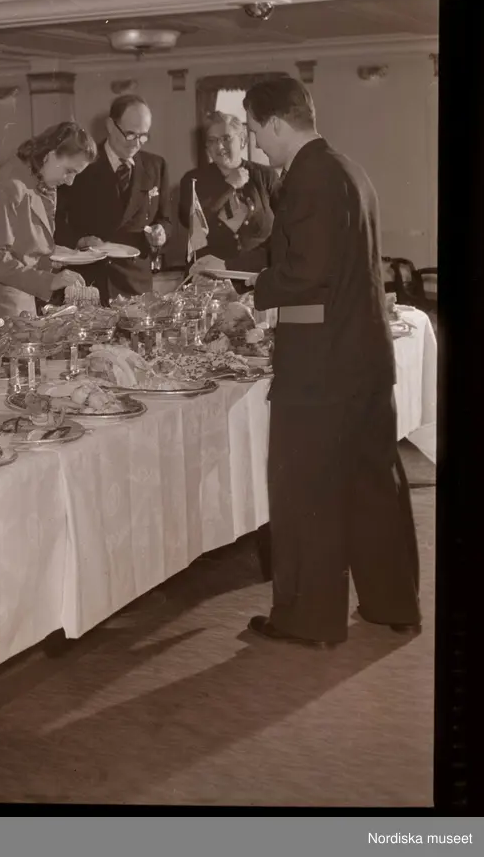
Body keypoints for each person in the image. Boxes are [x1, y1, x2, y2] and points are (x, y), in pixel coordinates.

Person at [233, 75, 420, 649]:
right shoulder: (349, 169)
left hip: (321, 365)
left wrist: (253, 292)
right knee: (374, 484)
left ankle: (308, 620)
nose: (255, 143)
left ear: (275, 123)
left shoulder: (308, 176)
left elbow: (307, 273)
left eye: (254, 130)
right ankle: (394, 604)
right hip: (364, 356)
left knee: (305, 489)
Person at [0, 121, 96, 328]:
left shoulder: (39, 182)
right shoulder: (7, 185)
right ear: (50, 155)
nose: (70, 181)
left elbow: (23, 245)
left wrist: (54, 255)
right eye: (69, 171)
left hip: (20, 301)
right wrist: (49, 281)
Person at [54, 93, 172, 303]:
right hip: (91, 282)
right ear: (110, 125)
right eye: (130, 134)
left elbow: (166, 220)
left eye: (143, 135)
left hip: (136, 284)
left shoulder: (156, 166)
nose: (137, 143)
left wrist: (160, 234)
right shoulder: (81, 165)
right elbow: (55, 220)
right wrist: (78, 241)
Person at [178, 112, 281, 270]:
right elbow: (191, 221)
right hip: (210, 274)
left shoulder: (266, 176)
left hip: (257, 274)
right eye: (212, 141)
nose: (219, 146)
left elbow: (285, 226)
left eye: (226, 138)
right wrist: (229, 187)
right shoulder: (193, 180)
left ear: (242, 140)